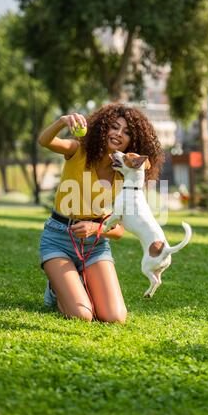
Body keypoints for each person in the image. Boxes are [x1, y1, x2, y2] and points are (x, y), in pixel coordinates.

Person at [38, 102, 164, 323]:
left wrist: (95, 228)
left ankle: (76, 283)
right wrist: (62, 122)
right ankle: (57, 288)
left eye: (126, 132)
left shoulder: (127, 176)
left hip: (95, 246)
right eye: (114, 127)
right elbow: (45, 141)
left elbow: (120, 230)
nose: (118, 134)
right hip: (59, 238)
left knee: (114, 317)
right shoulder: (78, 150)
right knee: (82, 315)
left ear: (132, 142)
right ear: (103, 127)